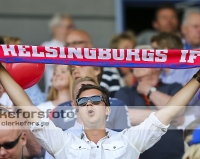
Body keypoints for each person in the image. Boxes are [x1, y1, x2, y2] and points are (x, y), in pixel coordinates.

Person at [1, 62, 200, 159]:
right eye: (83, 101)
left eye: (96, 99)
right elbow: (27, 107)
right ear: (77, 109)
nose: (89, 103)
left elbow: (171, 111)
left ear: (107, 110)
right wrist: (2, 71)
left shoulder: (129, 140)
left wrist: (198, 78)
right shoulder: (62, 142)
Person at [115, 67, 185, 159]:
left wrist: (149, 90)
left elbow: (179, 110)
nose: (137, 65)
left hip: (171, 153)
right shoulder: (125, 91)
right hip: (135, 154)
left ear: (158, 67)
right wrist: (169, 115)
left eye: (144, 61)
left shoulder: (174, 87)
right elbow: (122, 116)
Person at [45, 77, 118, 159]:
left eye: (95, 98)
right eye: (82, 99)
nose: (89, 102)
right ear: (74, 104)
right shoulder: (59, 141)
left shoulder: (119, 139)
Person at [52, 66, 130, 131]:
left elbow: (124, 142)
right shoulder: (60, 108)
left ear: (97, 70)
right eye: (72, 69)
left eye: (81, 66)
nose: (75, 71)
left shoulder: (117, 105)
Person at [66, 29, 122, 97]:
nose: (69, 47)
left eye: (75, 43)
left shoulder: (110, 73)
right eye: (67, 44)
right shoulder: (63, 72)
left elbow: (117, 104)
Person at [42, 13, 75, 93]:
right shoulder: (46, 46)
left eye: (72, 27)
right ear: (55, 28)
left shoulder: (74, 46)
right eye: (68, 27)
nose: (71, 30)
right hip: (53, 93)